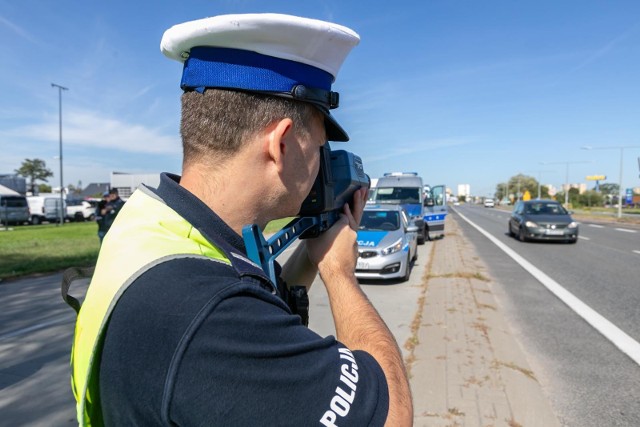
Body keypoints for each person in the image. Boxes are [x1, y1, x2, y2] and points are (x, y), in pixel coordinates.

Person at [70, 13, 412, 426]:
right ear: (282, 143)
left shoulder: (153, 226)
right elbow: (390, 413)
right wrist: (340, 273)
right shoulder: (209, 317)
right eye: (319, 147)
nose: (321, 163)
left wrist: (312, 254)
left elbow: (256, 295)